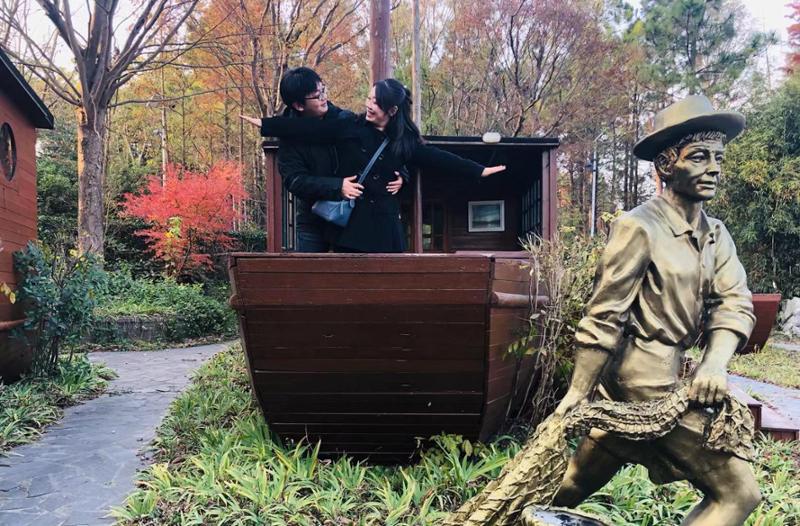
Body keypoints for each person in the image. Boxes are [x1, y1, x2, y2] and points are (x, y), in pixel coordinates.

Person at [552, 95, 760, 525]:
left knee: (572, 483)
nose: (714, 168)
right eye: (699, 157)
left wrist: (714, 363)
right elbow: (605, 314)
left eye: (718, 158)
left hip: (667, 375)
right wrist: (578, 392)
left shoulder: (717, 235)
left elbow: (734, 303)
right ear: (666, 165)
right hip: (641, 385)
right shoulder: (639, 226)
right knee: (738, 493)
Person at [246, 78, 505, 252]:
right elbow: (309, 129)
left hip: (385, 226)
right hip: (352, 225)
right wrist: (267, 125)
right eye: (369, 99)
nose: (369, 106)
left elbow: (437, 158)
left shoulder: (404, 141)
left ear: (392, 110)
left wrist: (478, 170)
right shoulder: (351, 126)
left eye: (376, 102)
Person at [242, 67, 403, 252]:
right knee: (312, 269)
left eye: (323, 90)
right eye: (317, 95)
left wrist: (402, 174)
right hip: (313, 219)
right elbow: (295, 181)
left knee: (352, 268)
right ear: (298, 105)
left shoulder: (344, 119)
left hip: (351, 215)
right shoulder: (289, 141)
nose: (324, 97)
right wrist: (337, 186)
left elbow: (381, 147)